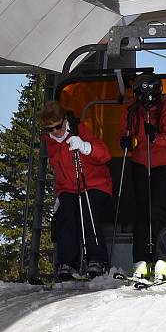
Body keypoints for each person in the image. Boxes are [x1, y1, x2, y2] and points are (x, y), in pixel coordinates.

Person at [39, 100, 112, 281]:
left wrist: (86, 147)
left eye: (58, 127)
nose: (55, 132)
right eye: (50, 129)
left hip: (95, 184)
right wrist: (59, 195)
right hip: (68, 188)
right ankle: (67, 263)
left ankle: (97, 260)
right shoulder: (51, 141)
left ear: (64, 120)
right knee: (66, 214)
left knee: (87, 210)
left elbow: (105, 154)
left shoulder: (80, 130)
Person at [118, 73, 166, 281]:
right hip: (141, 163)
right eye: (142, 96)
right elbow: (125, 130)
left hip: (165, 164)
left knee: (158, 210)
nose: (146, 101)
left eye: (149, 96)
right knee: (142, 211)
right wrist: (125, 139)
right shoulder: (132, 110)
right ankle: (140, 260)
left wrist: (155, 137)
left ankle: (163, 259)